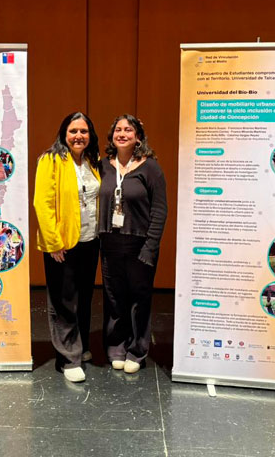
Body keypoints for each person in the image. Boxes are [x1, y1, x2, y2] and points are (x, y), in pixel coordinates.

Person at [33, 112, 101, 383]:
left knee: (83, 298)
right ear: (64, 134)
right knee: (63, 302)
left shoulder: (91, 161)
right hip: (62, 244)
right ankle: (67, 358)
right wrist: (53, 243)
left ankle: (80, 346)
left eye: (84, 131)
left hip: (89, 240)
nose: (78, 136)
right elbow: (42, 203)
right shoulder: (50, 160)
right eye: (73, 131)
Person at [98, 114, 167, 374]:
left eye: (128, 130)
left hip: (140, 245)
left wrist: (151, 247)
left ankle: (137, 351)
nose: (123, 134)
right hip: (110, 244)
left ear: (138, 137)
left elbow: (159, 211)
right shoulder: (103, 166)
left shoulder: (151, 168)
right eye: (118, 129)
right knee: (114, 298)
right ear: (112, 136)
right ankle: (116, 346)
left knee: (139, 299)